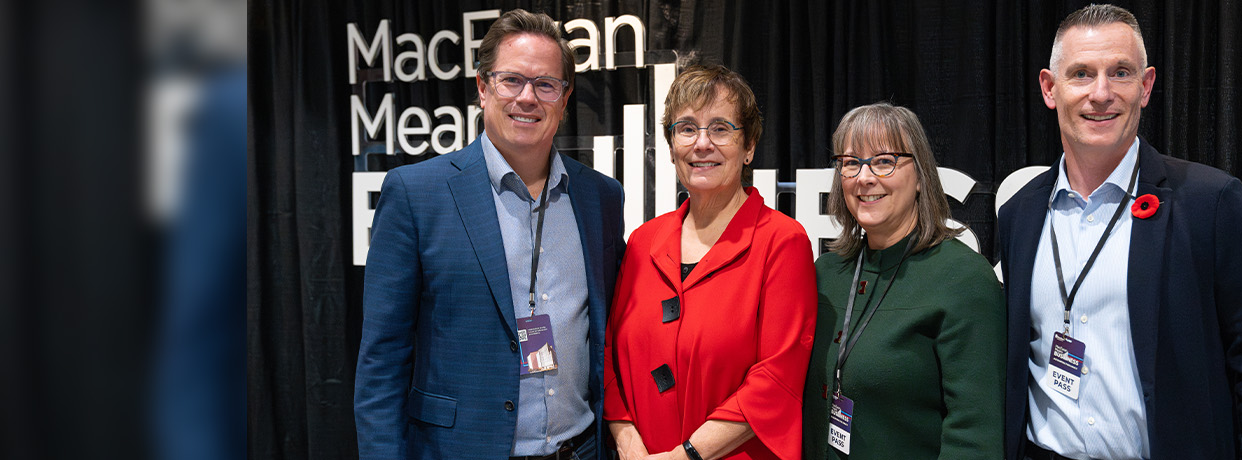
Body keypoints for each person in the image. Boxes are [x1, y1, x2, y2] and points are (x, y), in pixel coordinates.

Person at [996, 4, 1242, 460]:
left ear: (1146, 86)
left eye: (1120, 73)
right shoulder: (1019, 214)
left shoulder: (1209, 202)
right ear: (1049, 88)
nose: (1101, 93)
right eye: (1081, 74)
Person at [355, 9, 624, 460]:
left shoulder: (601, 198)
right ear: (482, 88)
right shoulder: (416, 194)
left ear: (565, 96)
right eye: (511, 80)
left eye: (545, 84)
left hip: (580, 450)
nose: (528, 98)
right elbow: (382, 362)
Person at [604, 65, 817, 460]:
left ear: (749, 146)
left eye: (720, 128)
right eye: (686, 128)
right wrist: (627, 442)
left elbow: (776, 377)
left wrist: (684, 456)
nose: (702, 144)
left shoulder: (782, 242)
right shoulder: (642, 242)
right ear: (671, 147)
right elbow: (609, 357)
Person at [801, 103, 1005, 459]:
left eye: (884, 161)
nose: (865, 177)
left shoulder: (964, 278)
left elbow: (974, 435)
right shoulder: (825, 275)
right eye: (851, 163)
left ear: (921, 175)